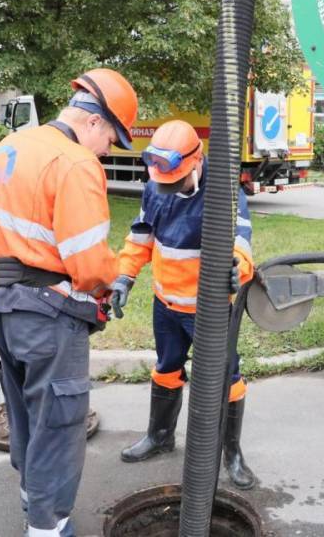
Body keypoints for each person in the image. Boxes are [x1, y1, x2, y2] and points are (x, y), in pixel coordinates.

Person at [0, 68, 138, 537]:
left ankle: (32, 503)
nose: (107, 150)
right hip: (50, 317)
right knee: (61, 424)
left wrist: (25, 262)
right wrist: (111, 282)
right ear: (94, 121)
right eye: (111, 139)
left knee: (25, 414)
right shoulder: (77, 163)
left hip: (4, 306)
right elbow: (88, 262)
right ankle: (48, 526)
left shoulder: (8, 147)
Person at [111, 119, 258, 489]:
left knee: (227, 378)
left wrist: (238, 268)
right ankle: (160, 436)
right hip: (166, 304)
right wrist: (124, 276)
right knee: (166, 368)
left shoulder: (225, 194)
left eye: (177, 182)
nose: (169, 190)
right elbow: (140, 237)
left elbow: (241, 242)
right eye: (163, 183)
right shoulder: (156, 187)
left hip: (208, 311)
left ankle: (232, 454)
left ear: (195, 163)